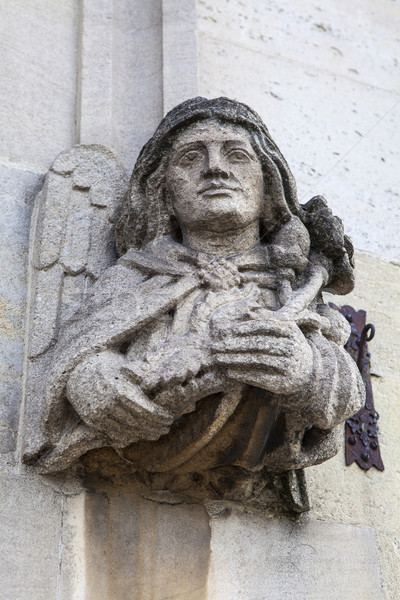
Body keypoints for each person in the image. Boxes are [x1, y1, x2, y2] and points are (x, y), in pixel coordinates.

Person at [38, 97, 364, 493]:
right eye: (191, 157)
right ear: (165, 193)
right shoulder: (137, 274)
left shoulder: (288, 282)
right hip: (144, 442)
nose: (215, 167)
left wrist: (305, 369)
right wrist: (92, 382)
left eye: (237, 155)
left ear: (267, 186)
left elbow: (343, 383)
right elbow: (78, 349)